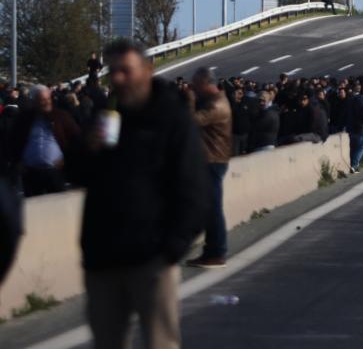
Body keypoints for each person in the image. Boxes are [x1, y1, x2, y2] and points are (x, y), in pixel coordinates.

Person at [64, 39, 209, 349]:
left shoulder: (170, 117)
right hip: (103, 258)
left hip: (152, 258)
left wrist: (173, 247)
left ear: (147, 70)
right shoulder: (107, 114)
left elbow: (194, 185)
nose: (118, 78)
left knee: (160, 342)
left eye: (126, 71)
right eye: (113, 71)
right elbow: (77, 175)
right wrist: (87, 148)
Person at [185, 67, 233, 270]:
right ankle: (210, 251)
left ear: (205, 84)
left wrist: (189, 100)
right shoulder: (212, 101)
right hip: (209, 160)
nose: (193, 88)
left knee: (213, 209)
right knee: (208, 208)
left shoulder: (217, 105)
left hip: (213, 161)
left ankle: (217, 253)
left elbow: (191, 121)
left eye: (196, 84)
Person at [9, 85, 80, 196]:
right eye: (42, 100)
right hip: (30, 171)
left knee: (58, 202)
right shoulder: (24, 118)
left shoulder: (61, 116)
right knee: (34, 204)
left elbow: (77, 139)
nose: (47, 102)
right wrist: (17, 162)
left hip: (55, 171)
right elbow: (13, 140)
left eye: (48, 99)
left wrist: (67, 159)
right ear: (34, 101)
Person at [346, 83, 363, 173]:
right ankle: (354, 165)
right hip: (360, 128)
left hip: (350, 128)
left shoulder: (349, 101)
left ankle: (353, 165)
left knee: (352, 148)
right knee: (360, 148)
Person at [230, 88, 250, 156]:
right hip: (235, 135)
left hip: (245, 134)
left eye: (240, 93)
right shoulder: (231, 104)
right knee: (235, 155)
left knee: (244, 154)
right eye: (235, 94)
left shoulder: (246, 103)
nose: (238, 95)